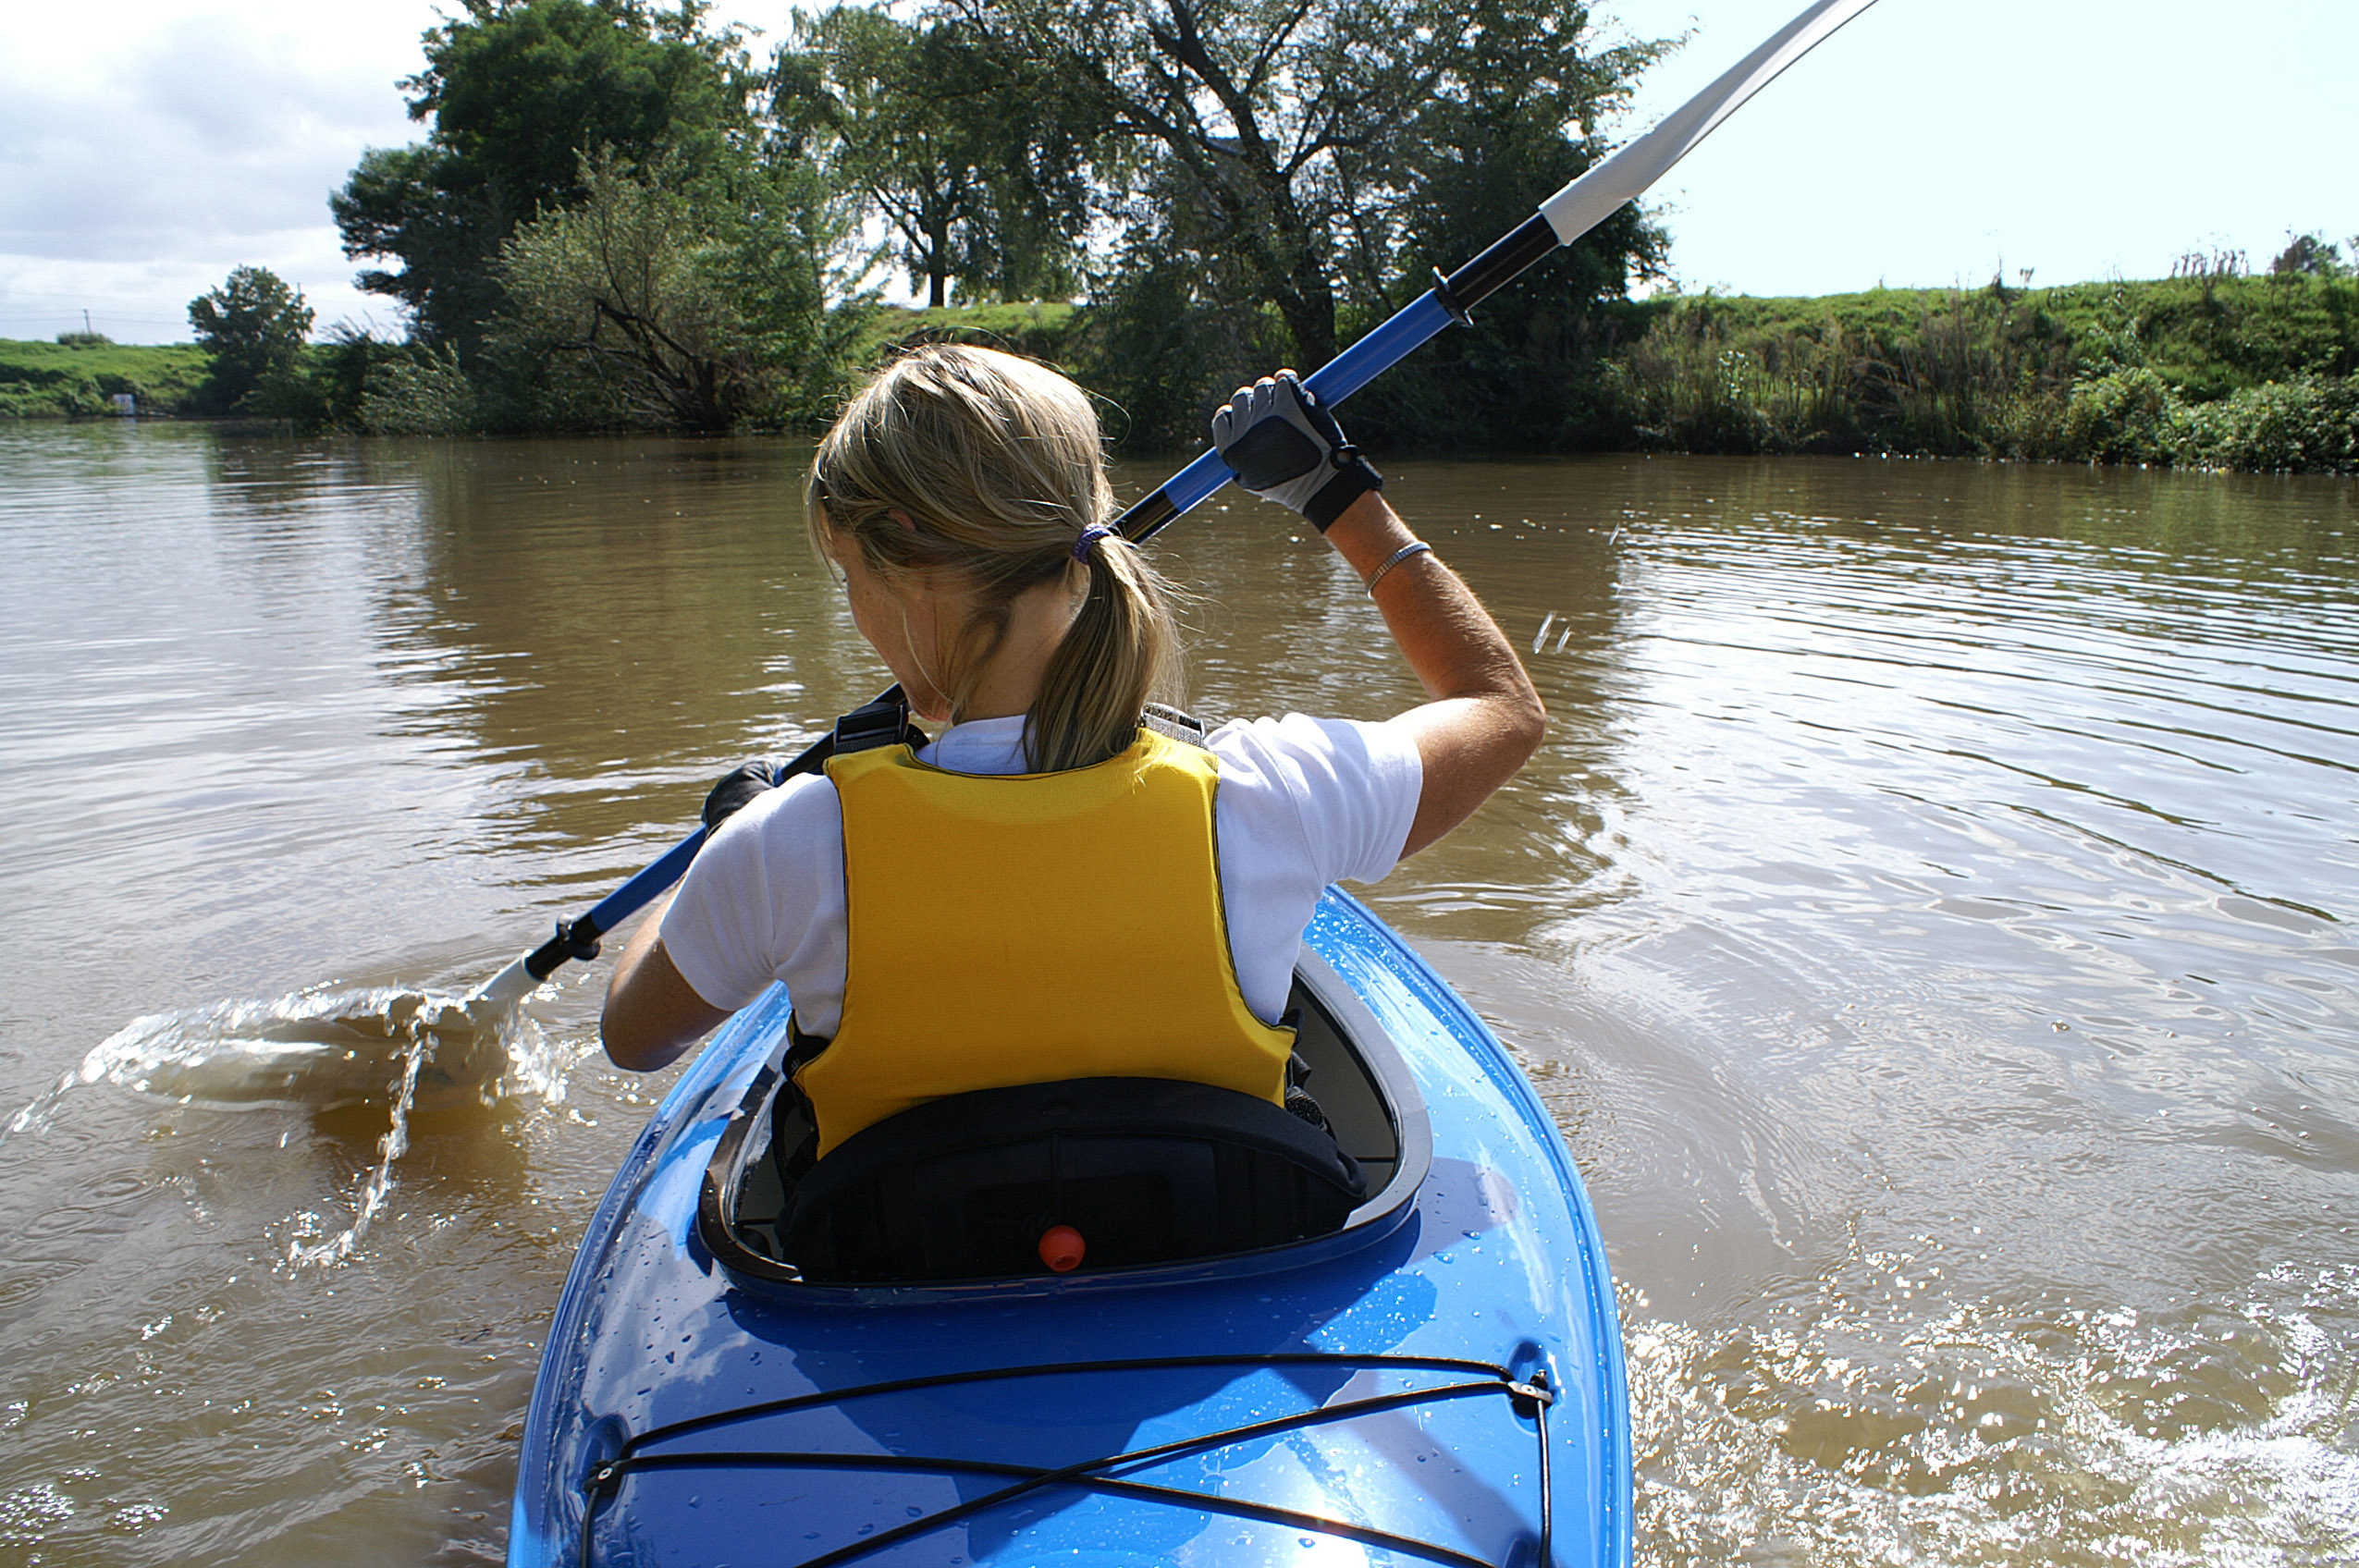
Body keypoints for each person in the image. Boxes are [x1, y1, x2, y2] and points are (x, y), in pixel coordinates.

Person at [600, 346, 1542, 1160]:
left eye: (850, 577)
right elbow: (1500, 707)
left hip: (896, 1280)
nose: (853, 613)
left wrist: (729, 837)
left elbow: (632, 1036)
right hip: (1215, 1254)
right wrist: (1337, 495)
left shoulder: (787, 847)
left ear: (900, 565)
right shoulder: (1271, 794)